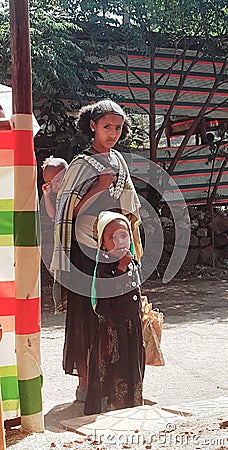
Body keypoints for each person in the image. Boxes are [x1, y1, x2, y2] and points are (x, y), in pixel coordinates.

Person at [51, 99, 143, 402]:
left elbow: (129, 207)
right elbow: (68, 211)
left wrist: (128, 246)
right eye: (107, 127)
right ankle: (87, 384)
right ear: (93, 126)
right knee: (88, 315)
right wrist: (99, 188)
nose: (112, 133)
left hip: (114, 250)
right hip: (86, 252)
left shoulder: (119, 161)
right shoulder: (80, 164)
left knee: (119, 315)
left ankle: (116, 382)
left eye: (117, 128)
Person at [84, 211, 145, 415]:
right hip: (112, 334)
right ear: (103, 244)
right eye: (112, 237)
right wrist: (119, 269)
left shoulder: (133, 262)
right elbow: (103, 305)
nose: (120, 241)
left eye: (124, 235)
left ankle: (132, 406)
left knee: (132, 367)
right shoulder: (104, 267)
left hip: (132, 329)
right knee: (114, 373)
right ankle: (111, 409)